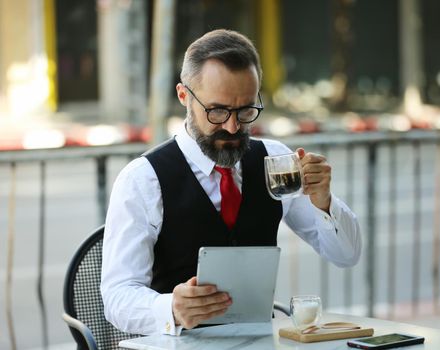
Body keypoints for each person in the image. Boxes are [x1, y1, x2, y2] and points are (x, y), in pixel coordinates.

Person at [100, 29, 361, 336]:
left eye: (246, 110)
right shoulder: (142, 180)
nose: (233, 126)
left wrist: (323, 201)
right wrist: (170, 307)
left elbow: (346, 255)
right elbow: (117, 297)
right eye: (218, 111)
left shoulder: (274, 161)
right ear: (184, 96)